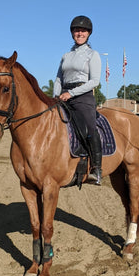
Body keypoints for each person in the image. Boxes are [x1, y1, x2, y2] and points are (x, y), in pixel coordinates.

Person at [53, 15, 102, 185]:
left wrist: (72, 94)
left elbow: (95, 81)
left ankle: (96, 168)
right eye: (76, 30)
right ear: (72, 33)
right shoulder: (66, 56)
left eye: (83, 30)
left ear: (88, 33)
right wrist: (56, 95)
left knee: (89, 127)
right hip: (64, 95)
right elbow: (59, 78)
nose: (79, 33)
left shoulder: (92, 54)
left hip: (83, 97)